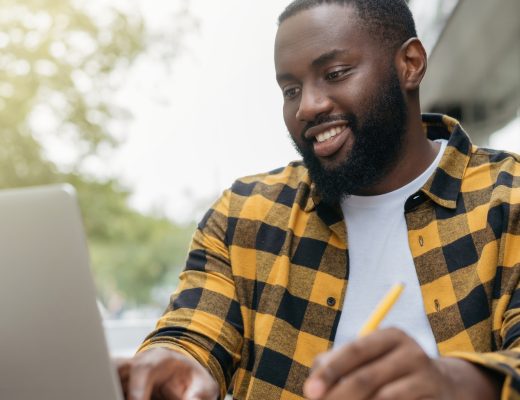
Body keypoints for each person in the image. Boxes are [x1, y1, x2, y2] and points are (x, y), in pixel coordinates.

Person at [117, 1, 520, 399]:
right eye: (291, 90)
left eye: (335, 73)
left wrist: (456, 383)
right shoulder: (245, 214)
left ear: (410, 63)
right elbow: (191, 332)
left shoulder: (510, 197)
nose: (308, 106)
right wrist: (173, 363)